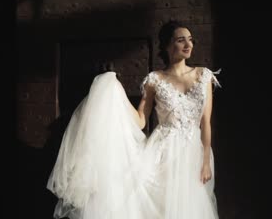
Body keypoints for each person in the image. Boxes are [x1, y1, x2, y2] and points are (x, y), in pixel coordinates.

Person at [46, 20, 222, 219]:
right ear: (167, 45)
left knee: (189, 208)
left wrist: (206, 160)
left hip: (191, 153)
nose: (188, 45)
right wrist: (115, 91)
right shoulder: (155, 79)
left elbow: (205, 123)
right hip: (161, 152)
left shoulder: (203, 76)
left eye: (190, 40)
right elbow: (140, 121)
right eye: (181, 40)